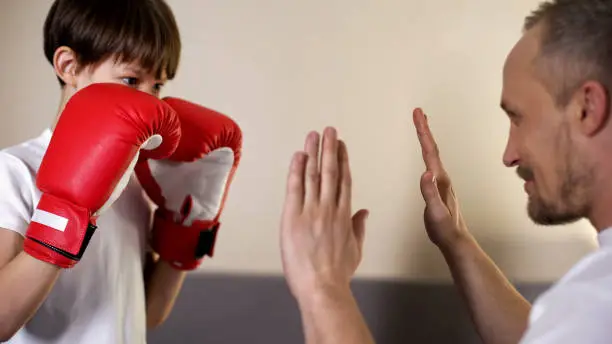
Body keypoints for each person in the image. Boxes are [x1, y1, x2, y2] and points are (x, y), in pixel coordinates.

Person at [279, 0, 612, 343]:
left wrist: (323, 288)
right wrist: (455, 239)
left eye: (518, 117)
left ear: (587, 108)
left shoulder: (597, 302)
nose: (509, 156)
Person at [0, 1, 242, 343]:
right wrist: (66, 214)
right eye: (131, 79)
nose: (150, 102)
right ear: (69, 66)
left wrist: (187, 227)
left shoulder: (130, 181)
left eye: (157, 86)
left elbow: (150, 312)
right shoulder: (15, 170)